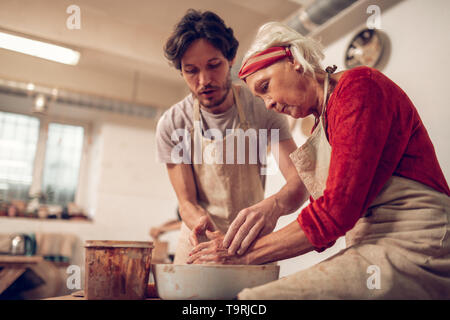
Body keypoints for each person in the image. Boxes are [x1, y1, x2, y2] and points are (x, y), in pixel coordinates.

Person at [187, 22, 450, 299]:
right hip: (373, 244)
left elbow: (335, 213)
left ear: (295, 61)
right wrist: (252, 232)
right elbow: (324, 220)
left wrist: (241, 256)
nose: (269, 105)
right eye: (260, 97)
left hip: (420, 242)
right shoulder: (321, 125)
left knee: (255, 300)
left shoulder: (360, 87)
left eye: (266, 87)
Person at [156, 11, 308, 264]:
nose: (204, 80)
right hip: (199, 240)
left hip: (251, 239)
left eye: (214, 65)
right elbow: (186, 202)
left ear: (230, 58)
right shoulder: (173, 123)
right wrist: (199, 221)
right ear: (180, 71)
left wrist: (274, 206)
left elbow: (298, 181)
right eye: (191, 70)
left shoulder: (262, 106)